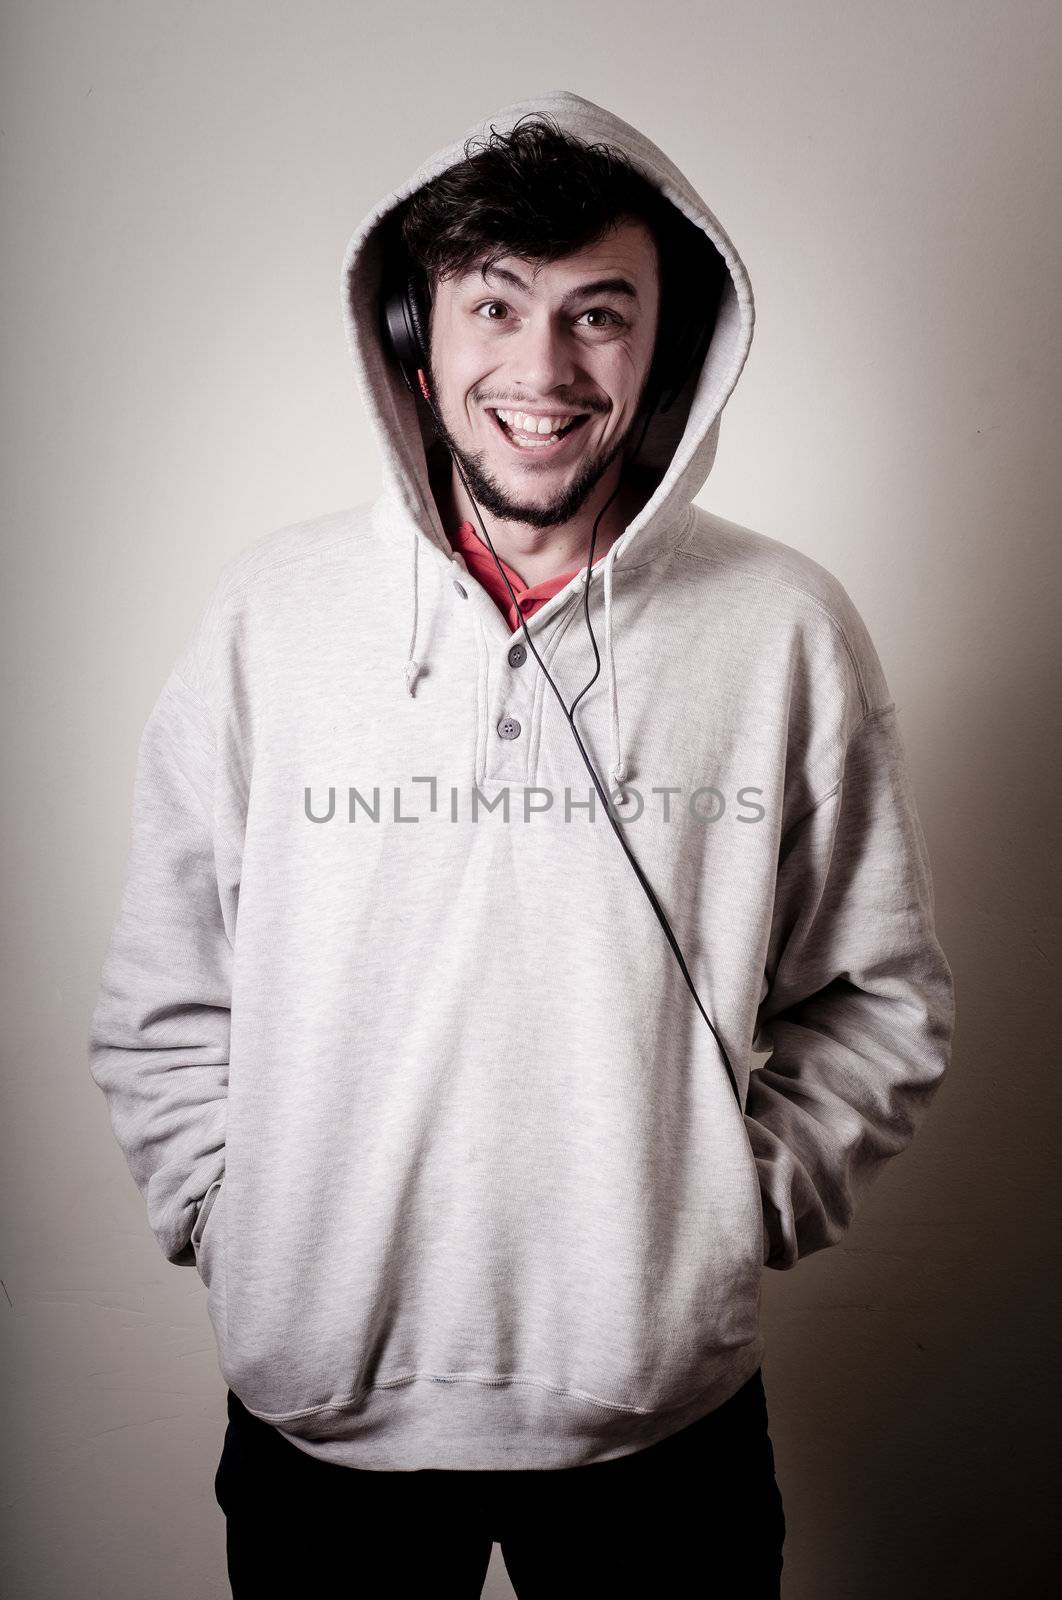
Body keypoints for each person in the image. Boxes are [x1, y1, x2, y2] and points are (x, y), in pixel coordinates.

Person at [88, 90, 956, 1597]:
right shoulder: (268, 618)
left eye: (597, 314)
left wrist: (717, 1223)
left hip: (654, 1419)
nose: (543, 369)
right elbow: (166, 990)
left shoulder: (783, 631)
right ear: (417, 346)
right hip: (318, 1409)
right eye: (494, 307)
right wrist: (239, 1228)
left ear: (664, 348)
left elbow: (881, 1000)